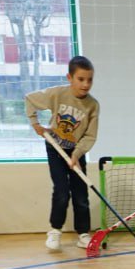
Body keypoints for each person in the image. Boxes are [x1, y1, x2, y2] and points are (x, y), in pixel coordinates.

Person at [26, 55, 100, 252]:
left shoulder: (93, 105)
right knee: (61, 190)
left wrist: (77, 154)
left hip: (76, 151)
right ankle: (55, 230)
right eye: (81, 79)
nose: (86, 84)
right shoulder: (57, 94)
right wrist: (35, 124)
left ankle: (83, 234)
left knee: (80, 193)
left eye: (89, 79)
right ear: (70, 77)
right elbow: (30, 99)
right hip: (55, 148)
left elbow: (90, 136)